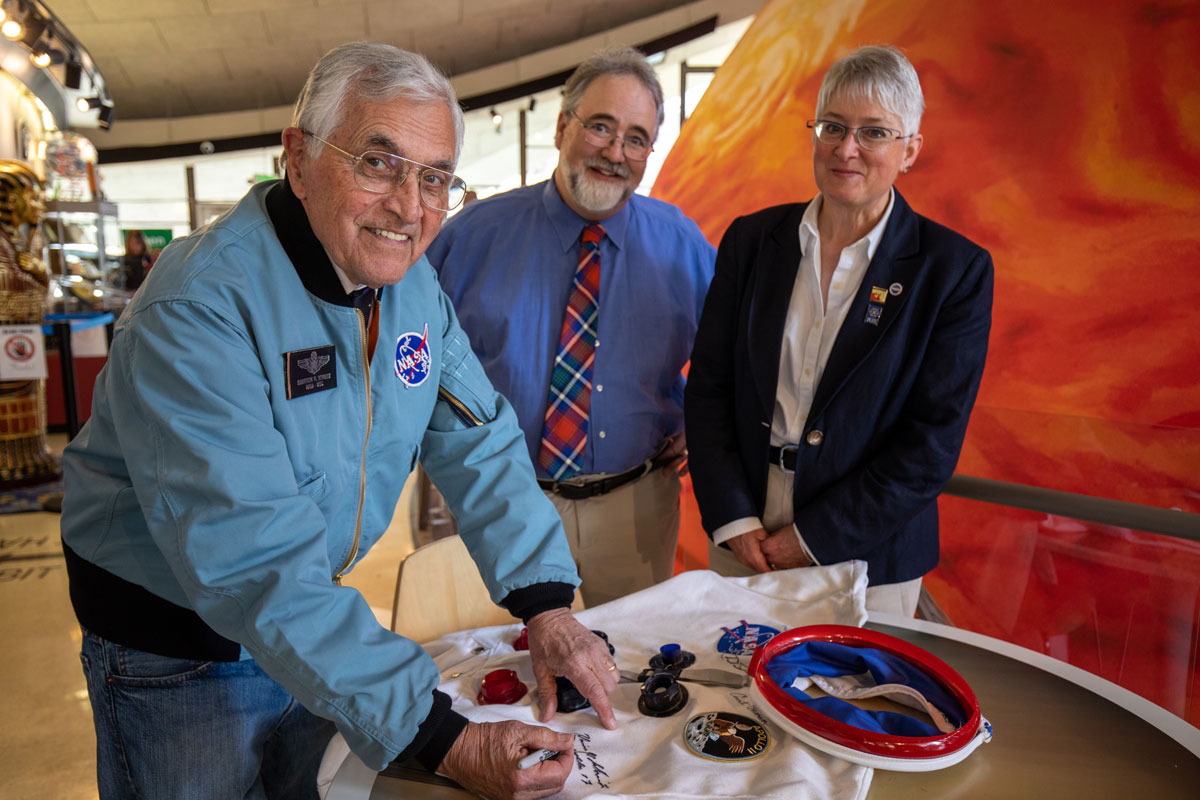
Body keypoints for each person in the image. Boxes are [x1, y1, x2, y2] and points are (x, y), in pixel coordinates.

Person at [60, 42, 619, 800]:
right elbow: (252, 558)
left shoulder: (411, 289)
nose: (411, 207)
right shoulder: (198, 309)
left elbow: (476, 439)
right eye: (378, 163)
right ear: (298, 157)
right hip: (178, 653)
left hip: (311, 624)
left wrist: (547, 607)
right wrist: (441, 740)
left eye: (435, 179)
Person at [686, 45, 993, 617]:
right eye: (833, 126)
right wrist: (733, 517)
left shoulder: (953, 271)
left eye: (874, 132)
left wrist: (810, 540)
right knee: (731, 697)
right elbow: (708, 388)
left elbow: (931, 443)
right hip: (745, 538)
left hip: (868, 556)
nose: (846, 149)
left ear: (910, 152)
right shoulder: (752, 242)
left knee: (853, 705)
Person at [427, 46, 715, 607]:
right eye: (601, 127)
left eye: (636, 138)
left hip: (636, 508)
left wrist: (703, 420)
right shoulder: (470, 238)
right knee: (503, 675)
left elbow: (733, 356)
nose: (615, 152)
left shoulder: (681, 245)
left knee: (629, 668)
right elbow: (408, 351)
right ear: (562, 127)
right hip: (503, 505)